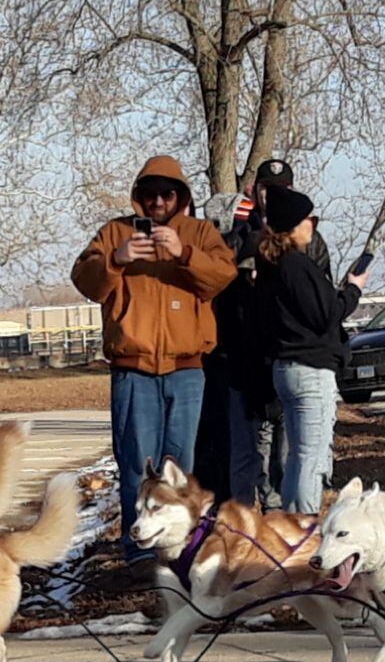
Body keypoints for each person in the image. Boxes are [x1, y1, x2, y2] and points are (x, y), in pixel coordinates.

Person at [72, 155, 236, 560]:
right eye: (151, 194)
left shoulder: (199, 233)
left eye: (168, 193)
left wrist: (184, 253)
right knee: (136, 465)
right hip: (134, 371)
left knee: (178, 469)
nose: (159, 201)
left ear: (180, 196)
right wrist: (118, 259)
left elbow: (223, 276)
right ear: (139, 197)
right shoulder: (114, 234)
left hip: (187, 371)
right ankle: (139, 550)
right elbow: (84, 279)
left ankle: (178, 547)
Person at [217, 160, 335, 508]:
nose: (273, 195)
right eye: (268, 188)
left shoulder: (309, 242)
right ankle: (242, 528)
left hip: (286, 355)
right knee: (247, 452)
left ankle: (281, 518)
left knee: (290, 452)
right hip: (245, 358)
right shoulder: (238, 235)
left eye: (283, 187)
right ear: (254, 191)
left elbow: (320, 301)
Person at [256, 184, 366, 514]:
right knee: (311, 455)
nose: (313, 227)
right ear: (295, 224)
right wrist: (353, 291)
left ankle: (293, 522)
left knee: (298, 456)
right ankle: (303, 526)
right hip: (309, 369)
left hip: (285, 368)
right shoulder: (296, 265)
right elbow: (325, 315)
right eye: (311, 219)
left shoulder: (271, 266)